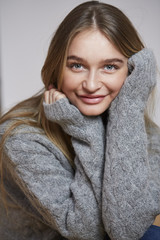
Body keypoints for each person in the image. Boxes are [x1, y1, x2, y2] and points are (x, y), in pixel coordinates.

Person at [0, 1, 160, 239]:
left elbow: (127, 229)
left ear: (131, 71)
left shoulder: (145, 133)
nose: (92, 85)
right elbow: (86, 231)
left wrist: (129, 107)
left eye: (109, 66)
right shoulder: (20, 138)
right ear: (57, 68)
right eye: (77, 65)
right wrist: (85, 131)